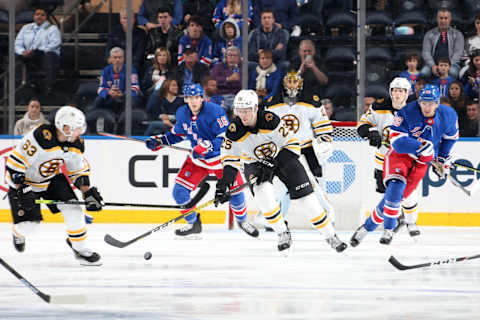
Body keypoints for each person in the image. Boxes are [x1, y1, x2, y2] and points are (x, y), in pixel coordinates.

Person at [214, 89, 347, 253]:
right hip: (255, 164)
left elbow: (292, 146)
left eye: (247, 110)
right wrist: (224, 185)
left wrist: (273, 163)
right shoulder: (233, 131)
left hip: (284, 158)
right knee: (265, 201)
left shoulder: (270, 121)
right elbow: (230, 161)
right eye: (240, 111)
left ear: (255, 108)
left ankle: (330, 236)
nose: (243, 115)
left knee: (308, 201)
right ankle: (282, 233)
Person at [145, 84, 259, 238]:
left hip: (221, 159)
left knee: (236, 191)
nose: (194, 101)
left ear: (202, 98)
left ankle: (242, 221)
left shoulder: (215, 111)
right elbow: (176, 135)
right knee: (179, 192)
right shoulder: (182, 113)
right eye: (190, 98)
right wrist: (160, 141)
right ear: (185, 99)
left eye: (197, 97)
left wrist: (207, 145)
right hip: (198, 160)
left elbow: (226, 137)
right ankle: (193, 223)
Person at [350, 84, 459, 246]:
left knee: (395, 197)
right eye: (423, 103)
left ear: (437, 103)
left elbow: (450, 138)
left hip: (421, 161)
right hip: (400, 155)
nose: (426, 107)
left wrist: (442, 159)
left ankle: (367, 227)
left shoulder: (449, 115)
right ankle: (389, 229)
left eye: (430, 103)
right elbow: (397, 142)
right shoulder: (406, 113)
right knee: (396, 186)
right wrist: (420, 147)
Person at [6, 106, 103, 266]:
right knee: (30, 227)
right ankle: (18, 232)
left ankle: (80, 249)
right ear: (65, 128)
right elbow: (15, 165)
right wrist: (22, 188)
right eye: (77, 129)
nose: (80, 132)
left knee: (74, 210)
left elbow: (77, 170)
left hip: (51, 180)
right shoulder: (40, 136)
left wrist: (87, 192)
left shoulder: (76, 143)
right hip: (25, 182)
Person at [264, 71, 337, 226]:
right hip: (284, 150)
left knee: (317, 181)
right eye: (289, 82)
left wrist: (324, 141)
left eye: (294, 82)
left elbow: (322, 124)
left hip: (307, 148)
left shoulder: (312, 102)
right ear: (284, 83)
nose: (292, 85)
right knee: (281, 183)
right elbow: (265, 129)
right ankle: (276, 218)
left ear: (300, 84)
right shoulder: (272, 103)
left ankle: (326, 214)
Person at [357, 77, 421, 237]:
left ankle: (411, 221)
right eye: (395, 90)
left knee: (407, 195)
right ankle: (396, 218)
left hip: (405, 162)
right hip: (382, 161)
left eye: (401, 91)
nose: (398, 94)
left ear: (407, 93)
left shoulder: (415, 111)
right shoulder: (379, 107)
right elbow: (362, 125)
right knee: (385, 195)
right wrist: (370, 132)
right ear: (391, 91)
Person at [86, 47, 143, 134]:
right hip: (111, 97)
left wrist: (123, 93)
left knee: (134, 100)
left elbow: (135, 88)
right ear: (110, 59)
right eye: (115, 57)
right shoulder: (105, 71)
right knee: (98, 99)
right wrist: (109, 92)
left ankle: (125, 127)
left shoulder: (131, 70)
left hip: (125, 98)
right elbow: (101, 88)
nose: (117, 60)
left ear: (123, 59)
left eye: (120, 57)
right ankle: (88, 122)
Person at [14, 8, 61, 94]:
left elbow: (55, 44)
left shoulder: (52, 28)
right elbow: (17, 43)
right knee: (15, 57)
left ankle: (49, 87)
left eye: (42, 15)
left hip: (44, 54)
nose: (39, 16)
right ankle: (21, 87)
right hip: (28, 54)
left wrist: (37, 50)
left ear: (46, 17)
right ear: (34, 16)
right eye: (37, 14)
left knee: (50, 56)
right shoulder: (26, 27)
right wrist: (22, 52)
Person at [421, 8, 464, 79]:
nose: (443, 21)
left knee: (453, 72)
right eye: (441, 18)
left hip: (451, 64)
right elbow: (426, 52)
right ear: (437, 19)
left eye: (446, 18)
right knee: (424, 73)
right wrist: (433, 65)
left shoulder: (458, 34)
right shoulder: (429, 34)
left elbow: (458, 53)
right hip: (433, 64)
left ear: (450, 19)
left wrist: (446, 66)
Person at [105, 7, 146, 74]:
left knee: (135, 66)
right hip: (116, 59)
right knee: (109, 66)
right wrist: (110, 58)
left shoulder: (141, 33)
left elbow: (139, 54)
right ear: (121, 20)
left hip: (133, 62)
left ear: (134, 20)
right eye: (124, 18)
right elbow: (109, 48)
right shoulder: (114, 31)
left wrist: (123, 61)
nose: (127, 21)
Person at [210, 46, 242, 112]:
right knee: (219, 110)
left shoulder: (243, 67)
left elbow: (245, 82)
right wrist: (228, 79)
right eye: (230, 55)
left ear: (239, 58)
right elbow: (213, 80)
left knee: (238, 111)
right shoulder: (218, 66)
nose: (232, 57)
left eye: (235, 55)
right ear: (225, 57)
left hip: (237, 96)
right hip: (221, 96)